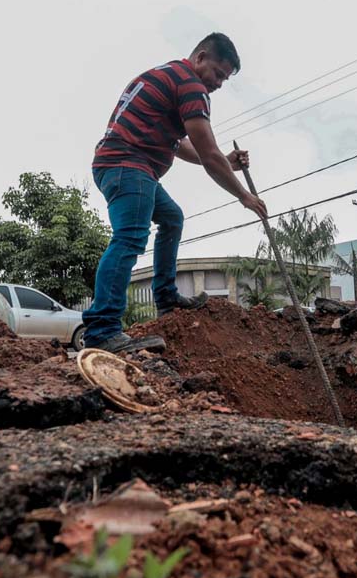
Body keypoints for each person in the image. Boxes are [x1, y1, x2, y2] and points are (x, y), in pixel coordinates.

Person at [83, 33, 267, 354]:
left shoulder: (168, 75)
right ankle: (102, 329)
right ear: (200, 58)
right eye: (219, 74)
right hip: (130, 165)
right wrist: (244, 196)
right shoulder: (191, 85)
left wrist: (227, 162)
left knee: (172, 218)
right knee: (129, 238)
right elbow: (208, 155)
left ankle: (166, 298)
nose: (219, 84)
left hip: (121, 164)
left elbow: (181, 145)